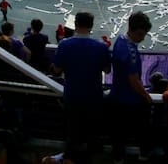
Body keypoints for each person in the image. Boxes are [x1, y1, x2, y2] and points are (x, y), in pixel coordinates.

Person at [51, 12, 112, 164]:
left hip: (72, 95)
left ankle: (70, 157)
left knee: (72, 131)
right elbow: (107, 70)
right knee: (92, 131)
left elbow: (57, 70)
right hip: (93, 96)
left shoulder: (64, 44)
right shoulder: (100, 47)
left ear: (75, 24)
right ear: (91, 26)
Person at [107, 11, 153, 163]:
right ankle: (143, 155)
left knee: (118, 134)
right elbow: (133, 80)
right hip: (130, 100)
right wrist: (146, 96)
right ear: (134, 30)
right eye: (141, 34)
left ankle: (118, 158)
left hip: (116, 96)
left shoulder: (120, 40)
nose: (142, 38)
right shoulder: (130, 51)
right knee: (141, 130)